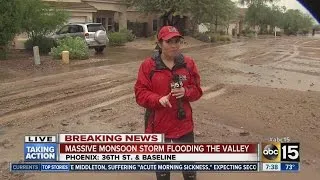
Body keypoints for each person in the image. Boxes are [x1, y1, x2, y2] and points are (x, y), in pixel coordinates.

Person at [134, 26, 203, 180]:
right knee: (163, 172)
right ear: (159, 44)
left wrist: (186, 92)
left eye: (177, 41)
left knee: (190, 171)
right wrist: (158, 99)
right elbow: (140, 94)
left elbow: (197, 90)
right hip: (158, 126)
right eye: (169, 41)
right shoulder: (148, 66)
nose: (174, 45)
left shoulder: (188, 63)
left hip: (183, 125)